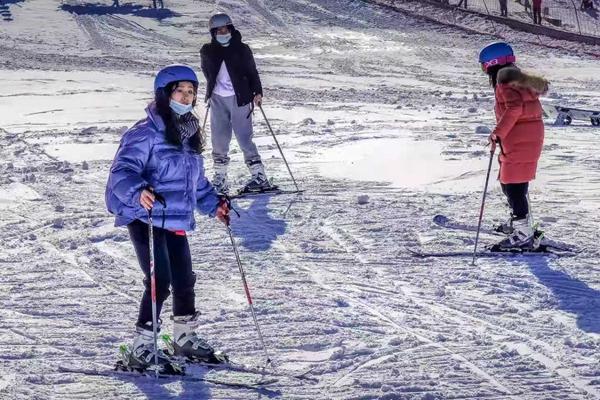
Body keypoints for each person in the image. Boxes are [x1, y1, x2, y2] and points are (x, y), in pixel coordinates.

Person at [105, 64, 230, 371]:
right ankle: (142, 346)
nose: (186, 97)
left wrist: (214, 204)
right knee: (160, 279)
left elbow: (196, 184)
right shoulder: (145, 132)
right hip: (145, 216)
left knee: (184, 279)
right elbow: (122, 171)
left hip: (174, 219)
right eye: (180, 91)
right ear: (164, 95)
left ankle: (184, 338)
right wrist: (138, 191)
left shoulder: (188, 135)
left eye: (191, 92)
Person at [478, 42, 549, 250]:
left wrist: (497, 134)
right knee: (511, 181)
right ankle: (520, 222)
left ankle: (523, 234)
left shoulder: (504, 83)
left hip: (519, 139)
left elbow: (515, 108)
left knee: (513, 185)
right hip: (527, 137)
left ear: (491, 64)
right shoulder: (518, 80)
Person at [200, 13, 273, 195]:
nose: (222, 32)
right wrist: (210, 92)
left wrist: (257, 92)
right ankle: (220, 179)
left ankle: (259, 176)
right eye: (218, 30)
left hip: (240, 98)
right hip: (217, 99)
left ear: (230, 29)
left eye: (224, 29)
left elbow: (252, 71)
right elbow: (207, 72)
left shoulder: (242, 49)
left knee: (244, 137)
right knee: (219, 139)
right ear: (213, 32)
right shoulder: (207, 50)